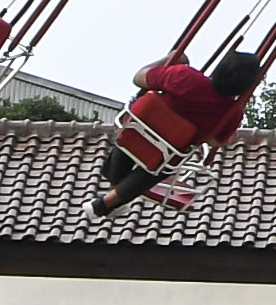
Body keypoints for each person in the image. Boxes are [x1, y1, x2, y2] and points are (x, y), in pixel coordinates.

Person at [96, 47, 267, 214]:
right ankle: (108, 202)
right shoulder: (231, 112)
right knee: (162, 165)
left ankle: (112, 193)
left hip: (139, 127)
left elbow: (139, 78)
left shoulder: (185, 76)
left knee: (131, 134)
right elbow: (214, 141)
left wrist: (169, 59)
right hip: (169, 149)